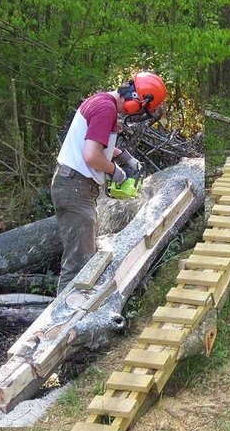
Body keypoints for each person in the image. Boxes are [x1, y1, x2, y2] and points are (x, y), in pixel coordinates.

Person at [51, 71, 167, 293]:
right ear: (136, 98)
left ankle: (73, 314)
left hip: (75, 186)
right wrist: (117, 172)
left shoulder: (102, 101)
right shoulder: (106, 109)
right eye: (141, 110)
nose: (137, 114)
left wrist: (123, 156)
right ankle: (60, 322)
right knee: (78, 266)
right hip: (75, 188)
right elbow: (91, 156)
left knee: (83, 259)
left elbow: (96, 144)